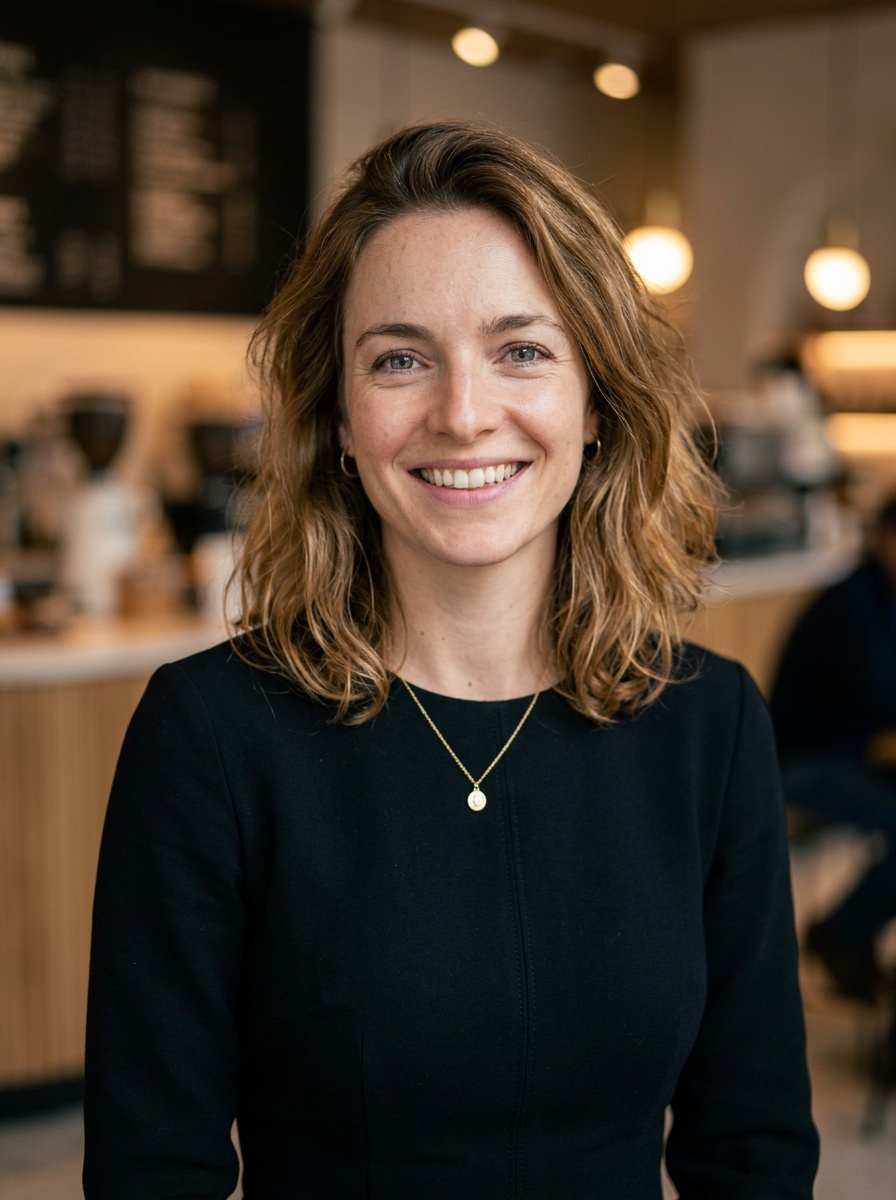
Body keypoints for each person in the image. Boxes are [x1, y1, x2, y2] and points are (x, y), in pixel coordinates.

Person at [83, 121, 818, 1198]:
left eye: (520, 349)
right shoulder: (209, 736)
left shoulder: (709, 726)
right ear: (336, 415)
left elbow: (749, 1150)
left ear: (595, 402)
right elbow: (155, 1170)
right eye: (399, 358)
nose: (463, 415)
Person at [771, 494, 896, 1002]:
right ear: (885, 539)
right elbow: (881, 697)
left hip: (858, 756)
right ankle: (844, 934)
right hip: (805, 761)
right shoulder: (850, 602)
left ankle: (850, 938)